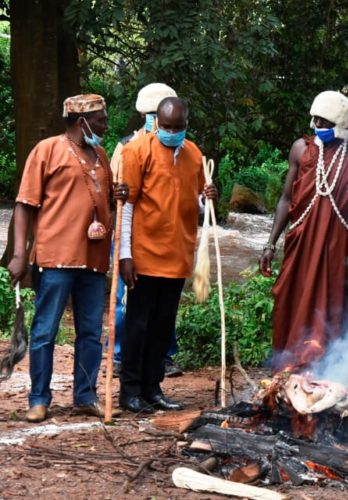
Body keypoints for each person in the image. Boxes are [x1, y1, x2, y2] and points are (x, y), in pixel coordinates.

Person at [8, 94, 127, 422]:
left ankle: (85, 395)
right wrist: (19, 253)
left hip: (93, 262)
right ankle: (38, 399)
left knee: (90, 331)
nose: (105, 125)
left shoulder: (101, 154)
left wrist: (118, 195)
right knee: (46, 330)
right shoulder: (47, 150)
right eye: (101, 119)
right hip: (56, 258)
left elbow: (102, 201)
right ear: (82, 121)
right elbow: (24, 205)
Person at [259, 91, 348, 372]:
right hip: (300, 244)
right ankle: (287, 369)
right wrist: (270, 244)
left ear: (341, 124)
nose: (316, 127)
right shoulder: (301, 148)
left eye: (324, 122)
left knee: (333, 306)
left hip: (337, 248)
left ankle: (327, 373)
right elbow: (286, 199)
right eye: (314, 120)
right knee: (290, 298)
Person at [119, 97, 217, 413]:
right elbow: (128, 205)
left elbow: (199, 207)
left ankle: (153, 387)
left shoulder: (194, 154)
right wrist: (124, 255)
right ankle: (130, 390)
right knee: (138, 325)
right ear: (156, 123)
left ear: (187, 125)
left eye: (179, 127)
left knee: (163, 326)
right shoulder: (137, 150)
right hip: (144, 254)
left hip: (178, 255)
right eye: (167, 126)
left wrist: (209, 197)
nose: (172, 132)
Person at [107, 82, 183, 379]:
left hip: (166, 239)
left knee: (164, 304)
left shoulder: (179, 148)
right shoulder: (127, 147)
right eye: (152, 114)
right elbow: (118, 195)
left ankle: (164, 353)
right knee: (126, 300)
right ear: (146, 116)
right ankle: (118, 354)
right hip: (131, 236)